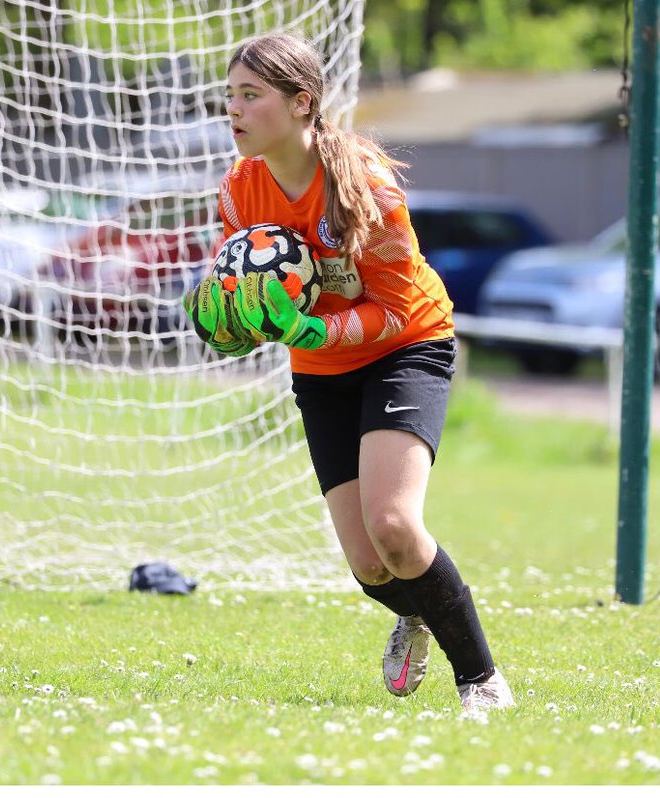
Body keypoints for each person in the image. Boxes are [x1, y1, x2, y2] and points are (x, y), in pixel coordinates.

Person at [183, 32, 513, 713]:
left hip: (406, 346)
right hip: (323, 368)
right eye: (230, 96)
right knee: (368, 563)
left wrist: (314, 326)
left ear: (303, 103)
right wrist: (227, 317)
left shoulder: (362, 183)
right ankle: (417, 610)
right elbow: (238, 281)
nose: (233, 109)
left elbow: (393, 308)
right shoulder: (240, 192)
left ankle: (481, 681)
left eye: (251, 95)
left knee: (394, 525)